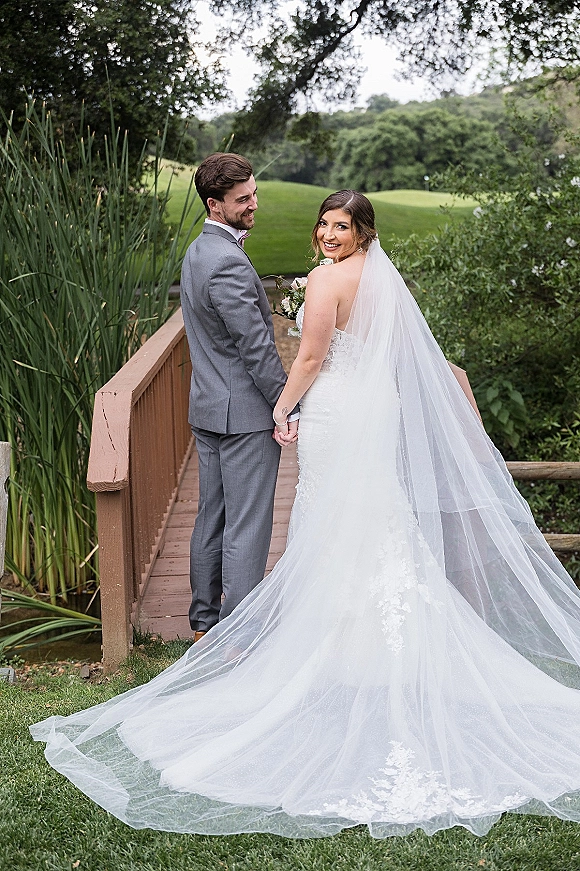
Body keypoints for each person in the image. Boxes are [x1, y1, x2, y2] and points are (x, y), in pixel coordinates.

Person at [31, 191, 580, 840]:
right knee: (373, 519)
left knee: (336, 522)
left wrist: (281, 407)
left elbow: (314, 357)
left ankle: (339, 654)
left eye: (340, 226)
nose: (325, 235)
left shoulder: (323, 281)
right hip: (375, 409)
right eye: (323, 225)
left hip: (338, 410)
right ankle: (369, 653)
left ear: (363, 231)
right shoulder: (382, 282)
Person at [180, 153, 297, 643]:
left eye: (253, 193)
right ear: (215, 204)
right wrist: (287, 403)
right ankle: (239, 636)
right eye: (242, 199)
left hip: (208, 407)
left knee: (213, 515)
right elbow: (256, 347)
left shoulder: (197, 251)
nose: (254, 204)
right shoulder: (227, 261)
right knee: (247, 525)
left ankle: (206, 623)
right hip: (244, 415)